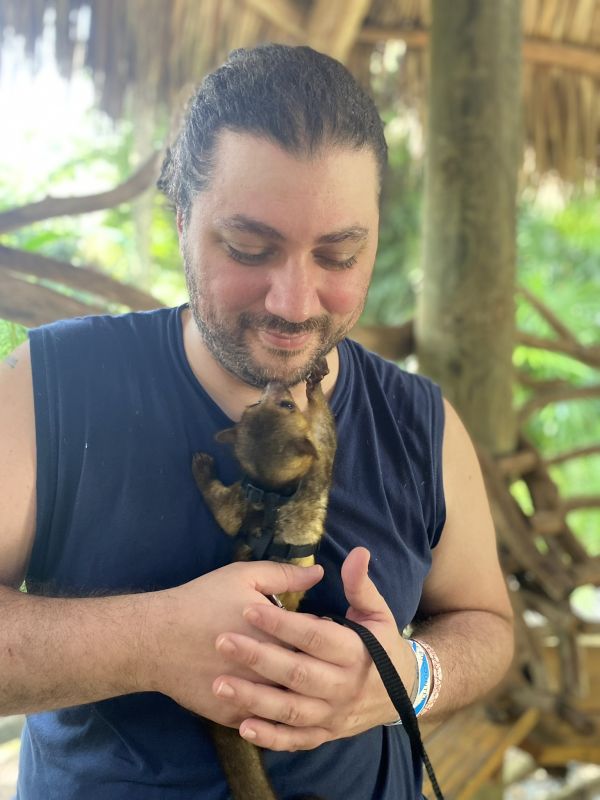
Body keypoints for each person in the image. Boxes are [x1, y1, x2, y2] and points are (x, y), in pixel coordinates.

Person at [0, 44, 514, 799]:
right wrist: (149, 643)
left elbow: (486, 625)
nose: (294, 302)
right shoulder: (51, 387)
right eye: (249, 247)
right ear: (181, 220)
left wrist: (411, 676)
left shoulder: (421, 423)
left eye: (338, 256)